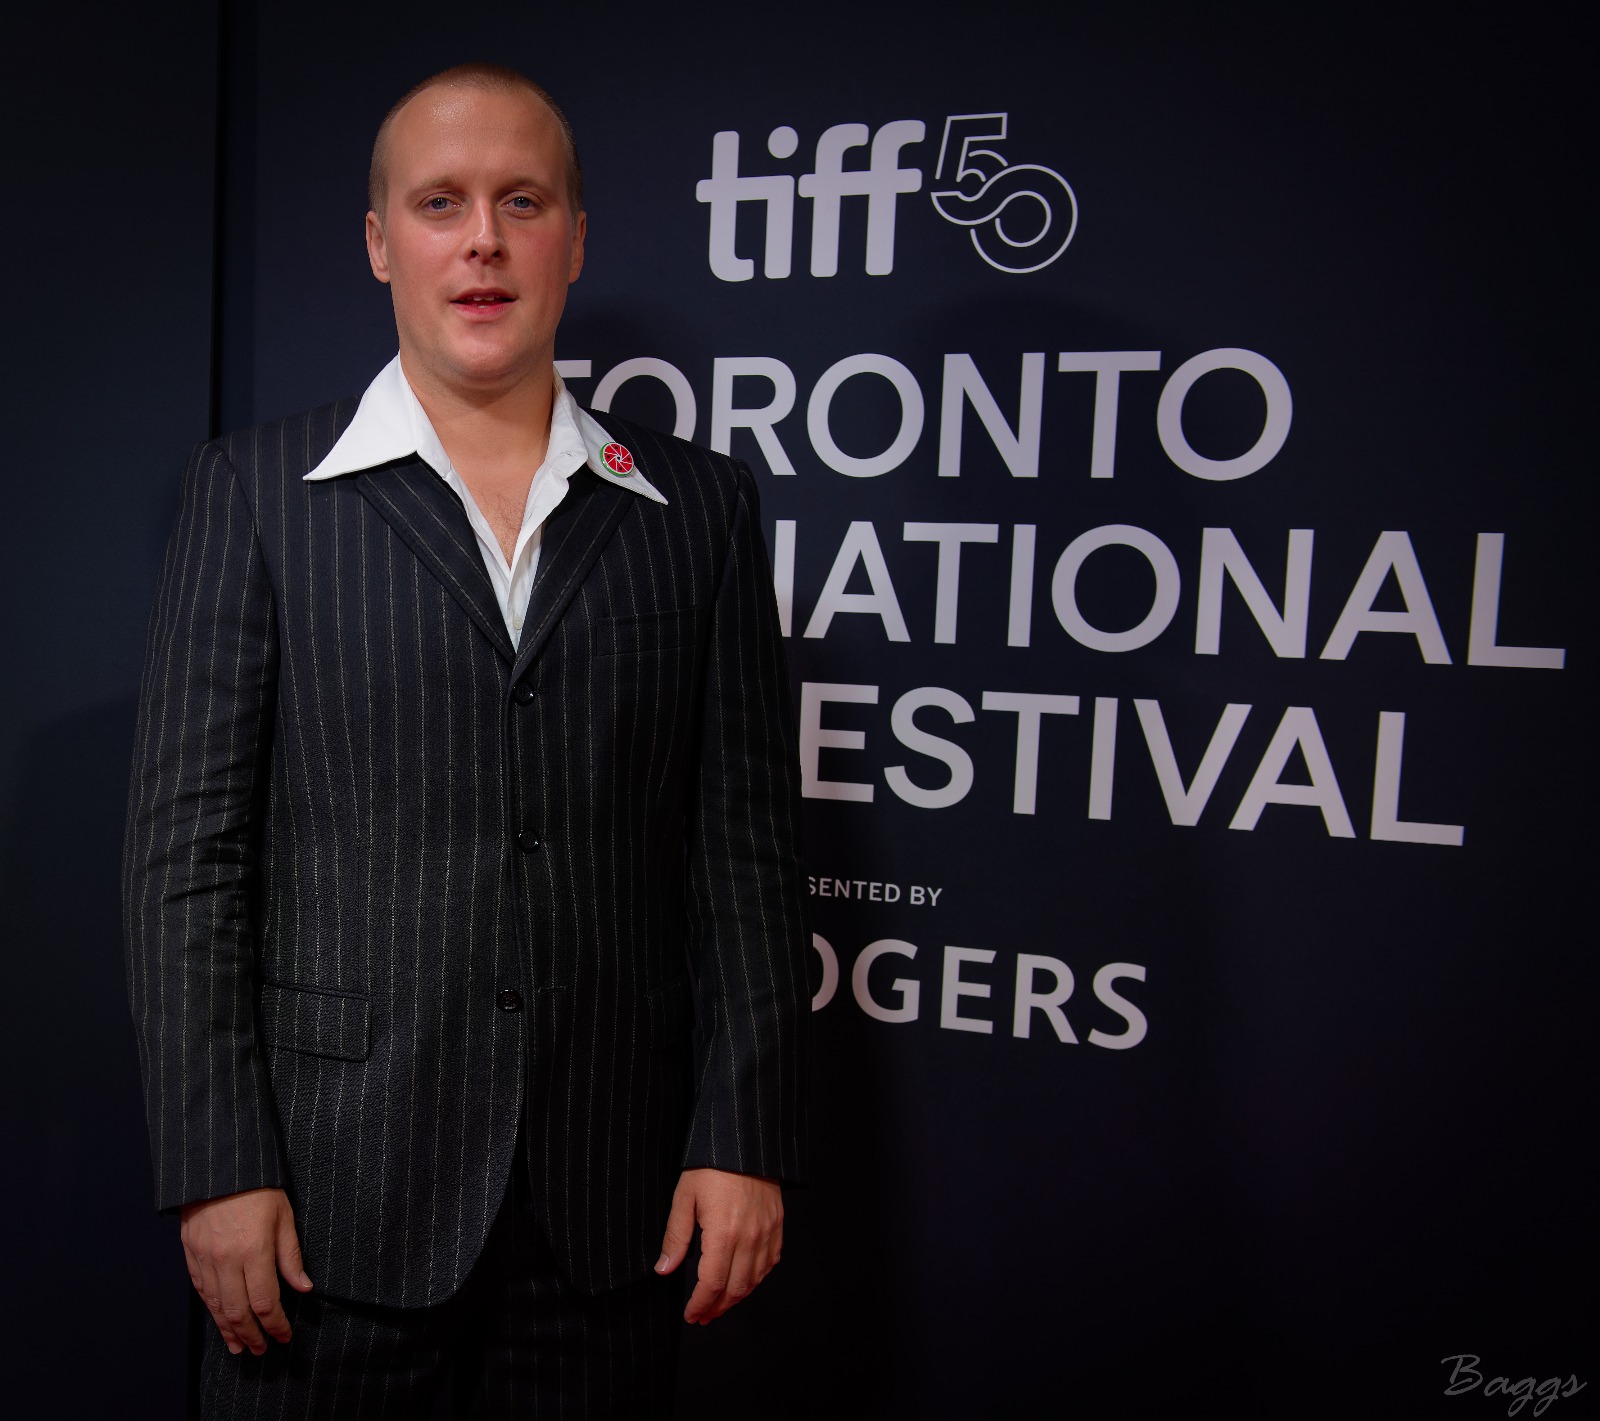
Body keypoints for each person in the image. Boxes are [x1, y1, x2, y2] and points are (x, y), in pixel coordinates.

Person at [124, 62, 809, 1418]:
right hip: (322, 1211)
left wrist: (743, 1132)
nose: (483, 238)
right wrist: (215, 1165)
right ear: (383, 242)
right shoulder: (256, 494)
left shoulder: (700, 510)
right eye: (440, 203)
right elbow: (186, 863)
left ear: (576, 239)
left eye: (521, 201)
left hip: (610, 1218)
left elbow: (743, 854)